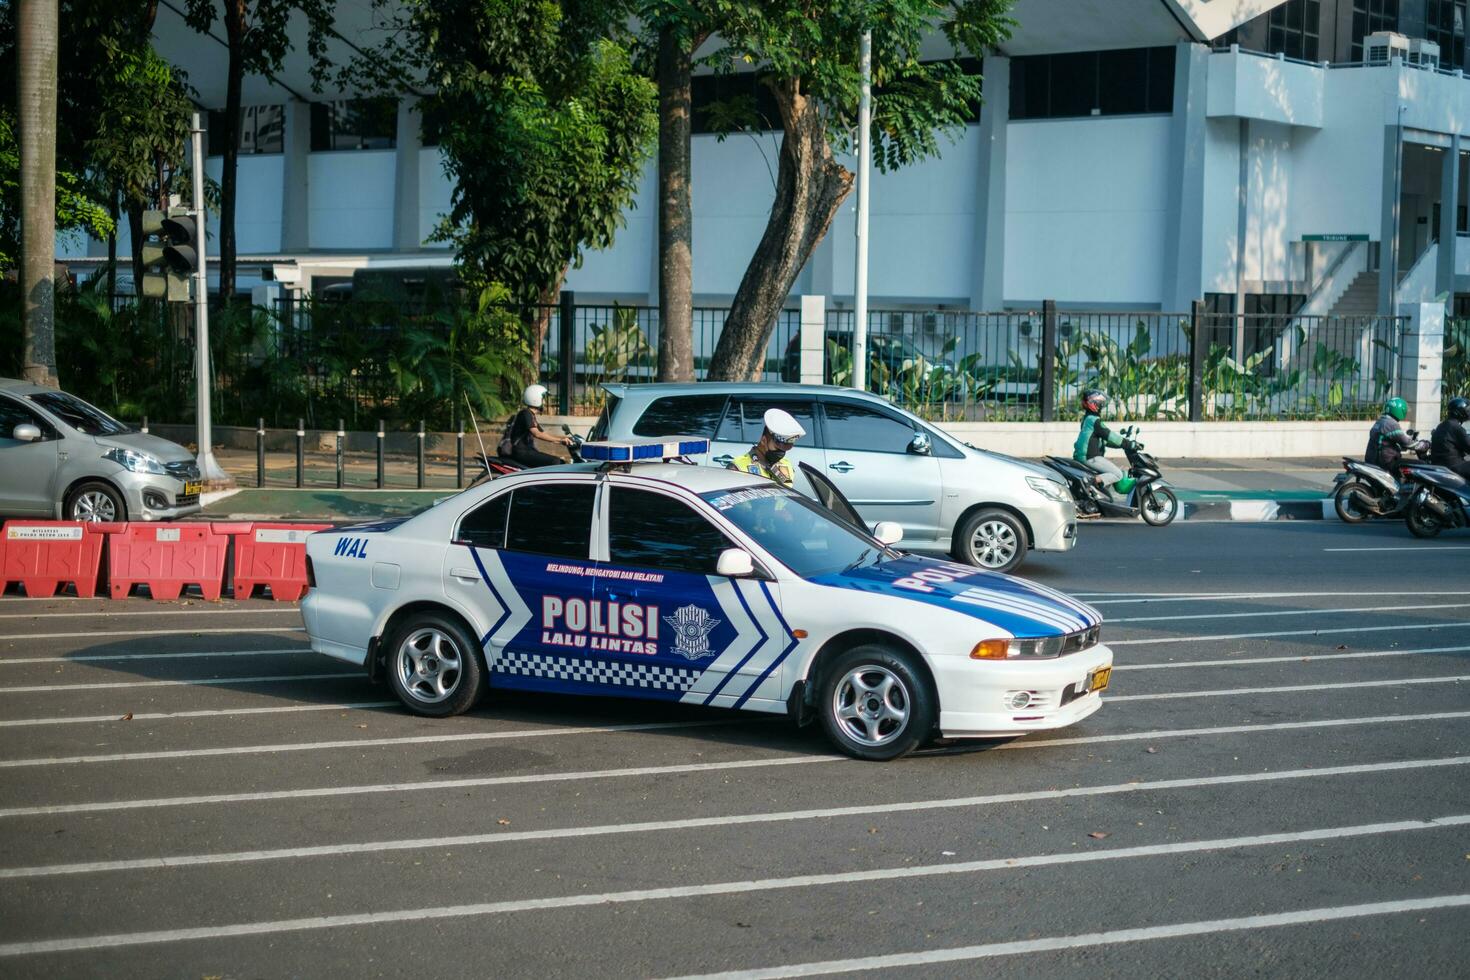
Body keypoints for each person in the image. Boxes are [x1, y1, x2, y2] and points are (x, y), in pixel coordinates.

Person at [1072, 389, 1134, 498]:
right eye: (1100, 404)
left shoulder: (1087, 419)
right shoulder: (1094, 420)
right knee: (1118, 474)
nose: (1101, 407)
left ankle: (1097, 492)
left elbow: (1104, 440)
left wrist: (1121, 445)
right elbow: (1109, 435)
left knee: (1111, 472)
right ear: (1093, 404)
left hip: (1085, 456)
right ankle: (1090, 481)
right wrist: (1128, 444)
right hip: (1090, 457)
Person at [728, 408, 806, 488]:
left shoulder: (786, 465)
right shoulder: (739, 467)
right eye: (777, 447)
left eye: (785, 449)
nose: (781, 452)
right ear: (763, 440)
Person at [506, 384, 573, 468]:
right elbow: (537, 434)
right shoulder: (525, 414)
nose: (544, 402)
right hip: (522, 452)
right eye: (543, 399)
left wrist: (563, 440)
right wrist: (560, 439)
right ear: (535, 398)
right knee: (556, 462)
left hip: (528, 451)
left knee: (558, 461)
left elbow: (544, 434)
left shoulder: (530, 415)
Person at [1365, 396, 1417, 471]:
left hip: (1373, 459)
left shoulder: (1381, 421)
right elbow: (1407, 443)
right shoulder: (1391, 424)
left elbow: (1386, 442)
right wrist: (1423, 445)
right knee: (1420, 464)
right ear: (1400, 411)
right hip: (1386, 461)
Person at [1430, 396, 1470, 481]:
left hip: (1441, 464)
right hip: (1453, 465)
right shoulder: (1456, 427)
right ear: (1459, 412)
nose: (1468, 412)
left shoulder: (1442, 425)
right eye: (1466, 410)